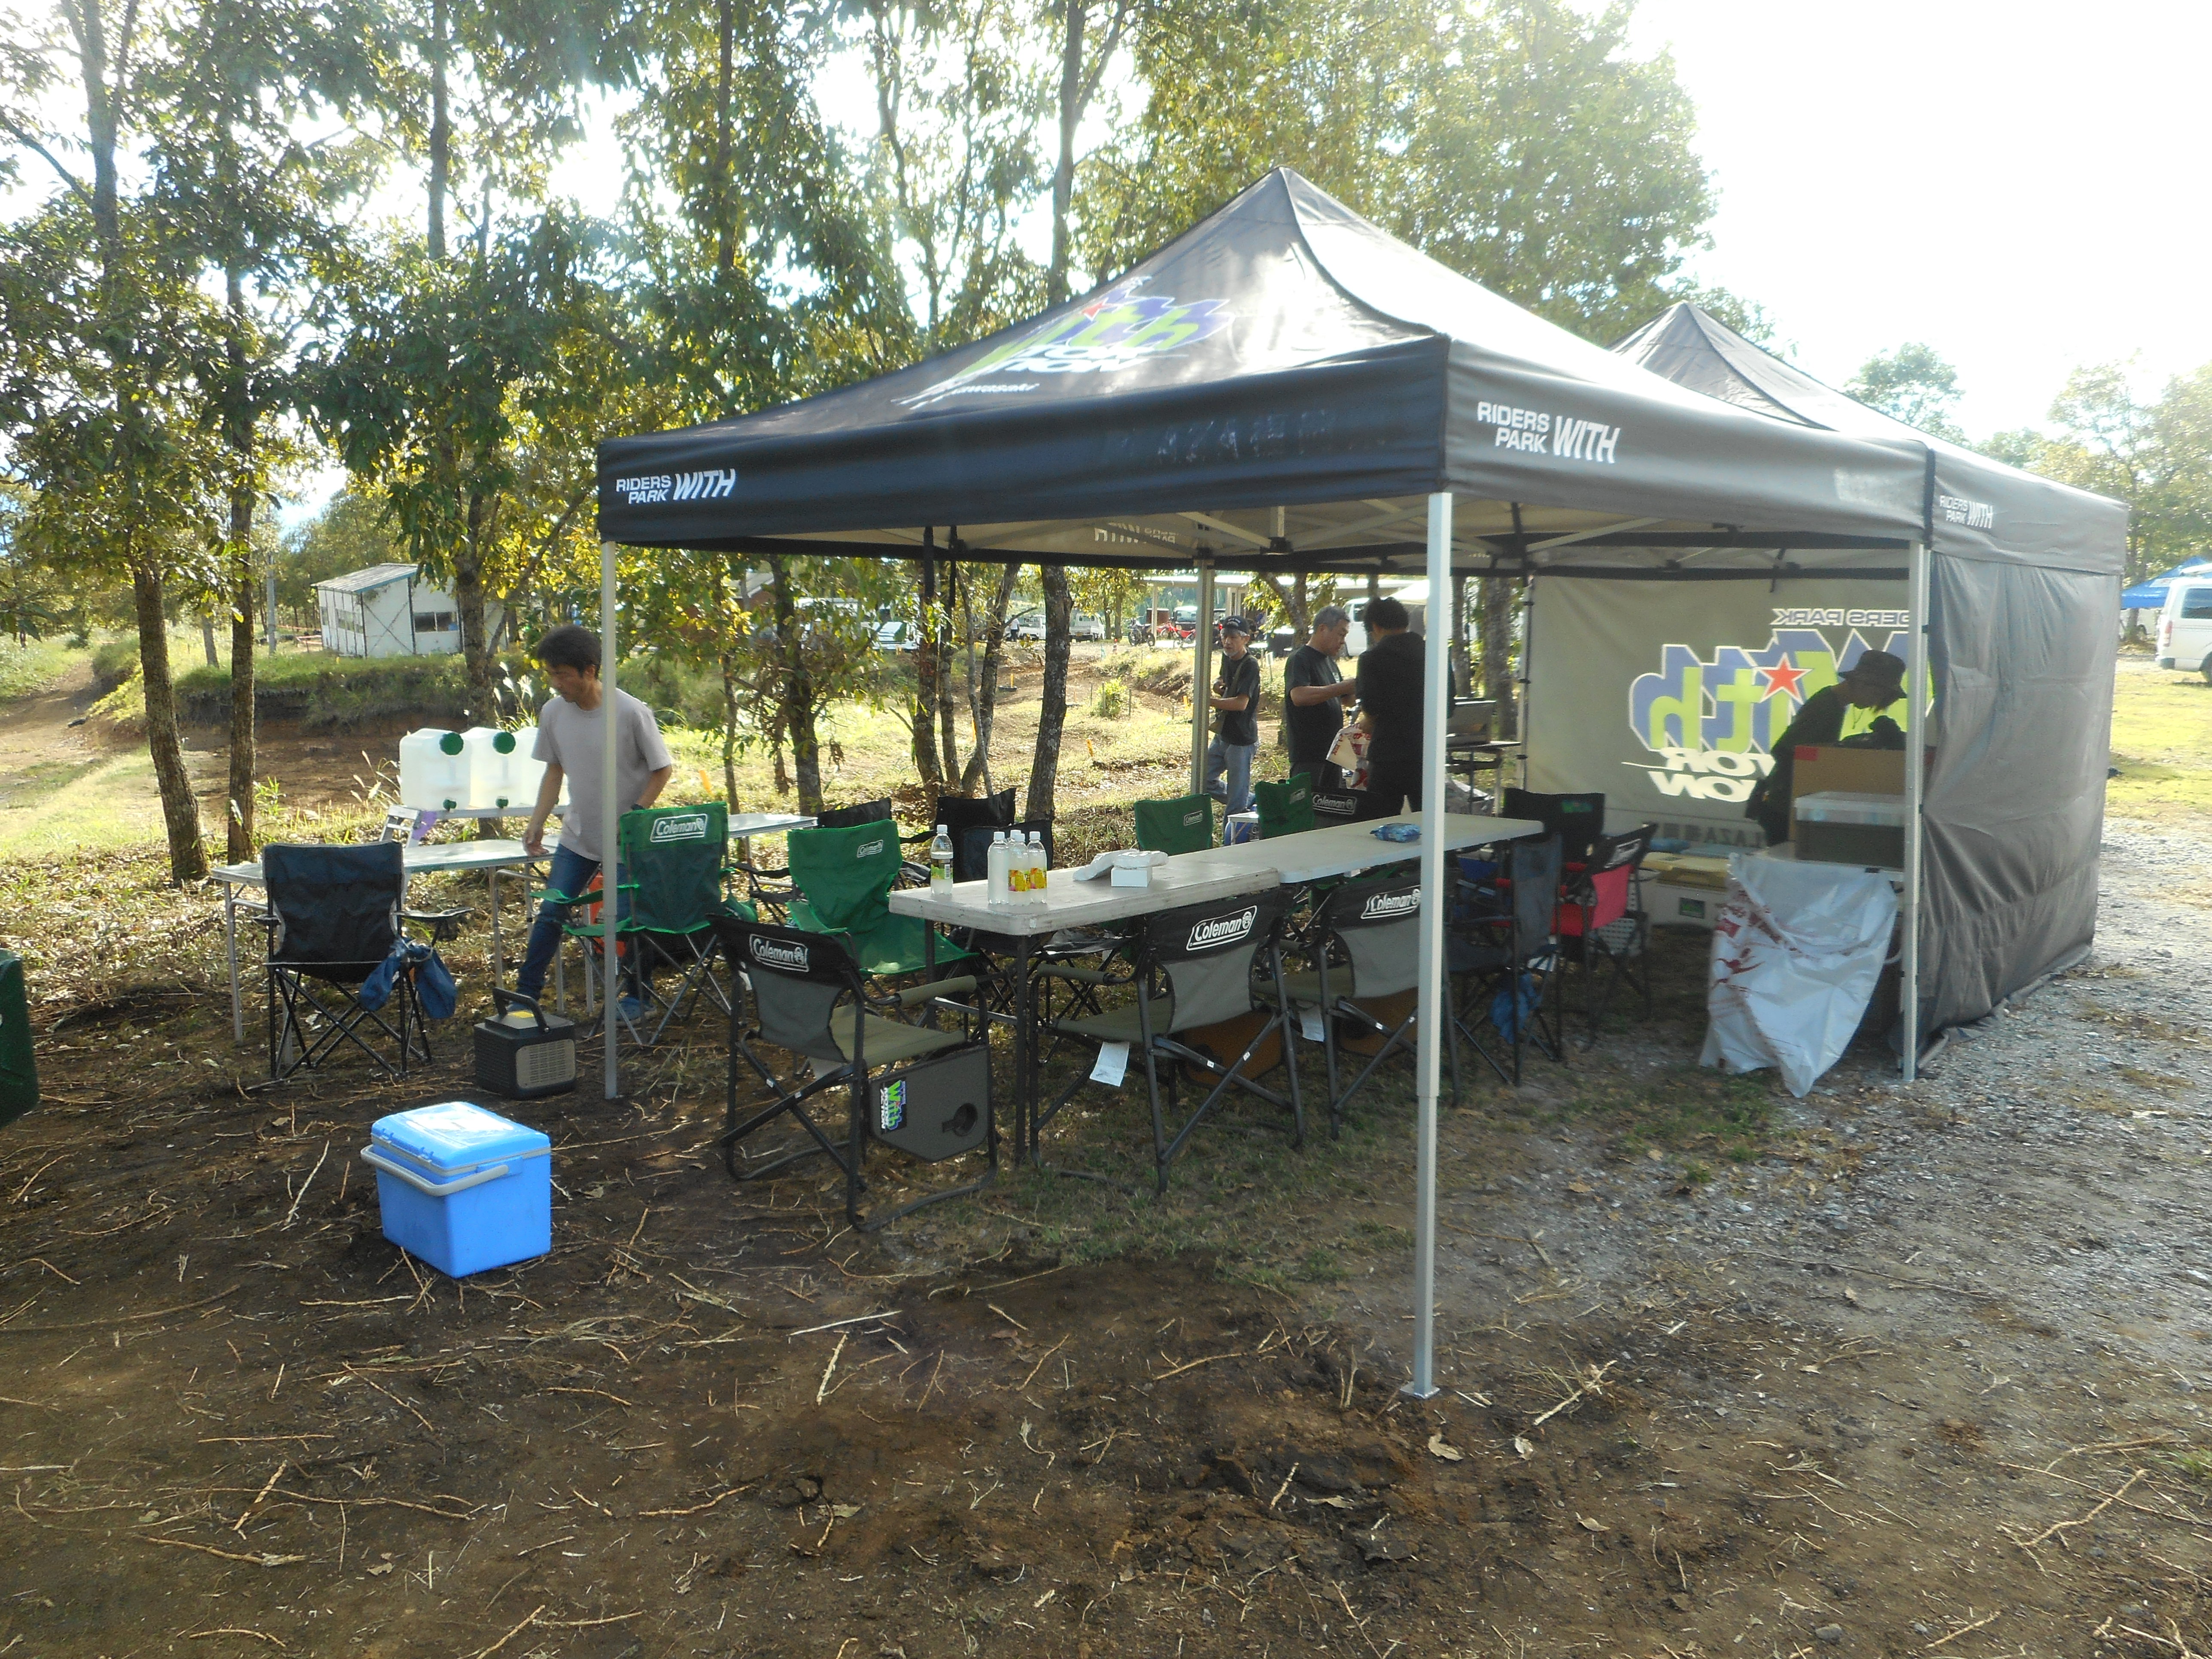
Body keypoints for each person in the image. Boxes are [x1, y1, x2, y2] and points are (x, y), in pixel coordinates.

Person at [517, 624, 675, 1018]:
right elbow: (555, 771)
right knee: (551, 912)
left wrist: (636, 813)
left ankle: (638, 997)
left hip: (625, 840)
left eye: (562, 675)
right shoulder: (553, 713)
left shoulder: (630, 712)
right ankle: (525, 996)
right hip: (578, 837)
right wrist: (538, 821)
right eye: (551, 674)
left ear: (589, 671)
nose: (556, 684)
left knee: (625, 920)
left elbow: (662, 769)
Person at [1744, 649, 1909, 845]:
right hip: (1785, 808)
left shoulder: (1834, 704)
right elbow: (1785, 751)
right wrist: (1842, 751)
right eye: (1879, 693)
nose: (1878, 701)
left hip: (1792, 804)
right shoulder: (1826, 706)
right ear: (1863, 684)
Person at [1352, 596, 1423, 817]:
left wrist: (1368, 721)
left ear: (1376, 627)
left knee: (1381, 822)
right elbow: (1448, 705)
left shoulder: (1372, 659)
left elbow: (1372, 707)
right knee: (1432, 820)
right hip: (1427, 752)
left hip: (1388, 755)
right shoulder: (1434, 653)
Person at [1284, 604, 1362, 789]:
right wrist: (1342, 687)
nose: (1343, 642)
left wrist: (1360, 689)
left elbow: (1345, 698)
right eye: (1341, 635)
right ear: (1323, 629)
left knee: (1333, 803)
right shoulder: (1300, 659)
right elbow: (1299, 696)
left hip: (1334, 753)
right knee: (1309, 803)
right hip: (1309, 755)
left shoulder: (1330, 663)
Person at [1202, 614, 1263, 816]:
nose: (1227, 642)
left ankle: (1235, 826)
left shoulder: (1250, 665)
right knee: (1204, 780)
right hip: (1223, 734)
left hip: (1241, 740)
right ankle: (1250, 799)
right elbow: (1223, 680)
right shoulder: (1227, 657)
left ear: (1246, 639)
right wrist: (1217, 685)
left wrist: (1210, 702)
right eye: (1224, 636)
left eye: (1234, 637)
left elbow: (1241, 703)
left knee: (1236, 805)